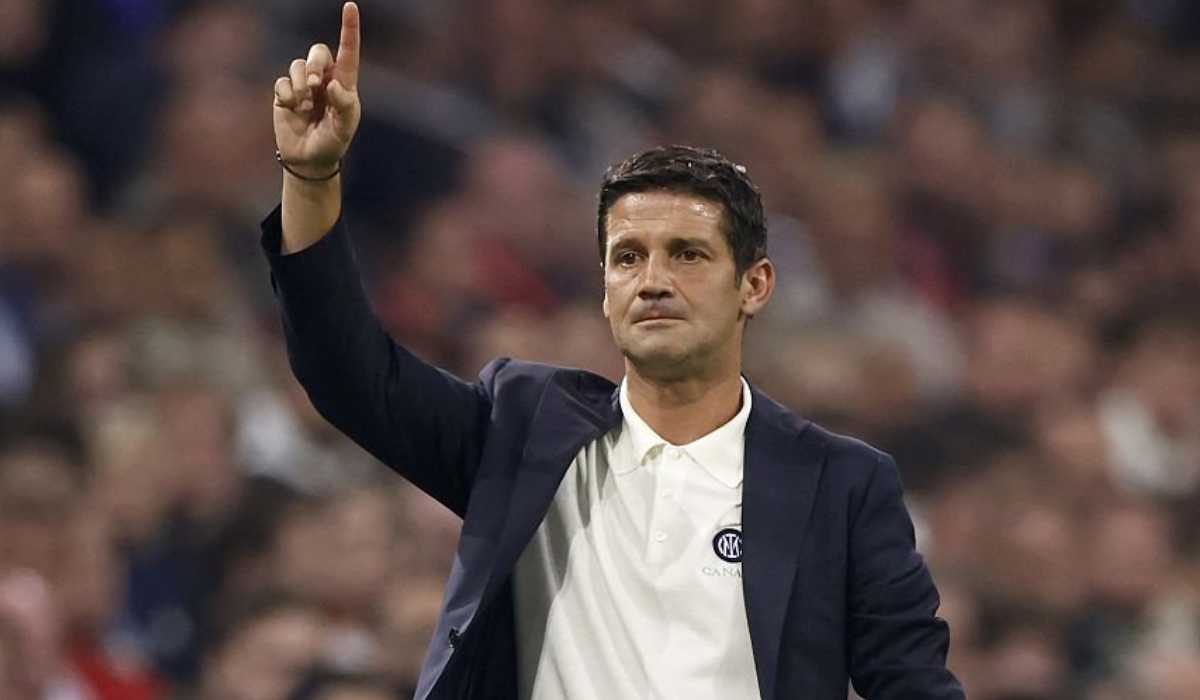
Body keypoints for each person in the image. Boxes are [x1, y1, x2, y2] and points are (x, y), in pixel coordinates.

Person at [263, 3, 964, 698]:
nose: (653, 281)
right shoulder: (524, 428)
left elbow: (914, 685)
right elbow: (348, 375)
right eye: (628, 258)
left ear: (754, 285)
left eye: (687, 254)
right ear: (605, 290)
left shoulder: (841, 485)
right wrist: (312, 179)